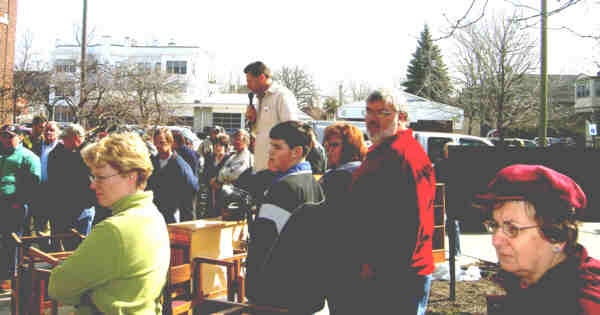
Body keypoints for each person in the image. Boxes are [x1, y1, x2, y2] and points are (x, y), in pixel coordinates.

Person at [336, 89, 436, 314]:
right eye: (369, 112)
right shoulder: (381, 151)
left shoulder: (407, 156)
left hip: (398, 277)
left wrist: (381, 270)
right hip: (377, 271)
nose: (372, 119)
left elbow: (414, 224)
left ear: (401, 117)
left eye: (382, 113)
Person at [48, 132, 170, 314]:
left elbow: (58, 287)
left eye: (100, 177)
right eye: (93, 177)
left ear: (131, 176)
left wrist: (88, 294)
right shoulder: (153, 216)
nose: (93, 185)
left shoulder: (114, 230)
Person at [474, 164, 600, 315]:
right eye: (494, 225)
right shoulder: (524, 283)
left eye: (512, 229)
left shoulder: (583, 305)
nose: (496, 241)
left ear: (557, 237)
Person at [245, 120, 324, 303]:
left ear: (296, 152)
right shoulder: (314, 185)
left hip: (277, 295)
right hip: (306, 292)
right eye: (271, 145)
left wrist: (254, 293)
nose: (270, 151)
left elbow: (263, 245)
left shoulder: (282, 189)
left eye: (277, 147)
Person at [0, 125, 41, 291]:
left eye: (10, 136)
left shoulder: (28, 157)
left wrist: (19, 200)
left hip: (14, 205)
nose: (6, 139)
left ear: (20, 137)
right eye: (3, 136)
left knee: (12, 241)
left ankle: (10, 277)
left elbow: (33, 183)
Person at [46, 123, 96, 250]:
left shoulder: (91, 154)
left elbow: (90, 181)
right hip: (65, 208)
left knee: (81, 246)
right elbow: (54, 180)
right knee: (68, 245)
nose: (63, 142)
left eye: (66, 139)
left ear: (76, 138)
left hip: (83, 208)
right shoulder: (60, 152)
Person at [244, 61, 298, 172]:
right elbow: (259, 133)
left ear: (262, 77)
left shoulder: (282, 96)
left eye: (250, 81)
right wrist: (253, 121)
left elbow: (292, 131)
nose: (248, 86)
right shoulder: (259, 99)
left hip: (276, 170)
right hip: (260, 166)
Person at [147, 128, 199, 223]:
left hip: (172, 218)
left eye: (161, 142)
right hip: (155, 216)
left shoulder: (180, 166)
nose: (158, 146)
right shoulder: (152, 162)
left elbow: (192, 191)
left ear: (170, 142)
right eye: (156, 143)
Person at [319, 122, 367, 208]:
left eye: (334, 145)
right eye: (326, 145)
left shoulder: (338, 177)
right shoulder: (365, 168)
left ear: (350, 147)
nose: (329, 150)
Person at [211, 129, 253, 216]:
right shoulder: (233, 156)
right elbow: (222, 171)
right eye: (234, 139)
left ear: (245, 141)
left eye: (238, 139)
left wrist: (220, 179)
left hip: (236, 200)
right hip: (224, 195)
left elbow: (235, 175)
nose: (235, 142)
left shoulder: (247, 157)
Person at [435, 141, 461, 257]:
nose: (448, 152)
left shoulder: (459, 164)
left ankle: (455, 251)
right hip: (440, 196)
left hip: (453, 196)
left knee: (453, 224)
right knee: (440, 224)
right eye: (447, 149)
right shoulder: (440, 163)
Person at [203, 133, 232, 217]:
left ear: (225, 147)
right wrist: (210, 181)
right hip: (210, 193)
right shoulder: (209, 158)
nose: (217, 147)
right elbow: (204, 174)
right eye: (215, 145)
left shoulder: (229, 159)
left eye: (220, 145)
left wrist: (219, 183)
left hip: (223, 194)